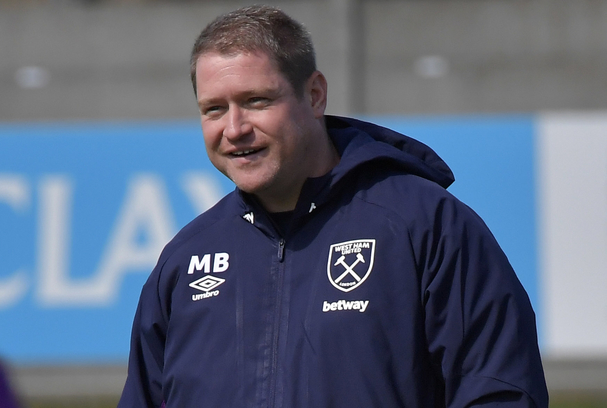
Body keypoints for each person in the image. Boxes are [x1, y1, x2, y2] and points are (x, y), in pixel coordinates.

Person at [119, 5, 548, 407]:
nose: (234, 129)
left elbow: (500, 389)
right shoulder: (185, 259)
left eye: (256, 101)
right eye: (214, 109)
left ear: (315, 95)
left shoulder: (426, 224)